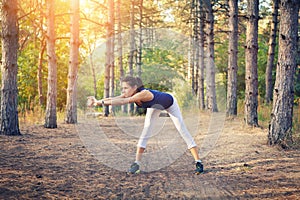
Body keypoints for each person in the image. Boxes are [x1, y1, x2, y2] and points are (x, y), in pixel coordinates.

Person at [87, 76, 204, 174]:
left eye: (125, 88)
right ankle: (136, 164)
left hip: (170, 103)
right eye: (122, 88)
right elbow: (115, 98)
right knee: (146, 131)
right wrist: (97, 101)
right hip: (154, 107)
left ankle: (198, 162)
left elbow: (122, 102)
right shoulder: (131, 94)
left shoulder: (142, 94)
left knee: (181, 129)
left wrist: (100, 102)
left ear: (134, 88)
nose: (123, 91)